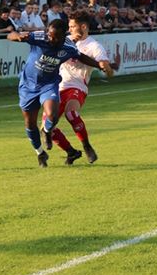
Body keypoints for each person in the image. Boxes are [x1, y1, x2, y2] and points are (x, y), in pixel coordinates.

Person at [7, 19, 112, 167]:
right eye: (49, 35)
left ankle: (47, 131)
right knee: (30, 124)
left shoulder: (68, 46)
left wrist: (98, 65)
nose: (50, 39)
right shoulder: (39, 37)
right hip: (27, 86)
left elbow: (80, 56)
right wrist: (17, 36)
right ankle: (40, 153)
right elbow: (10, 35)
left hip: (49, 84)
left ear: (63, 36)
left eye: (54, 37)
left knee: (52, 114)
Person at [43, 11, 114, 165]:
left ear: (83, 27)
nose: (70, 29)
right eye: (69, 26)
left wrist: (105, 68)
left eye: (73, 26)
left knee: (71, 113)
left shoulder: (94, 46)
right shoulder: (66, 40)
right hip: (58, 86)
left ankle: (87, 146)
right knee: (46, 127)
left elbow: (109, 71)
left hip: (77, 86)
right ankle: (71, 152)